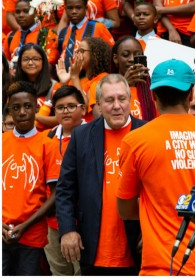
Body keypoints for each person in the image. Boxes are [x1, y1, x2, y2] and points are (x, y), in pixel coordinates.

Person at [116, 59, 195, 275]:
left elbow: (125, 209)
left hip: (163, 265)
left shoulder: (135, 141)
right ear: (191, 95)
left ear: (153, 95)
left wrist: (157, 210)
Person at [56, 74, 146, 275]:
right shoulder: (81, 135)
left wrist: (154, 230)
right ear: (98, 104)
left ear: (130, 101)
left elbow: (161, 190)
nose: (117, 106)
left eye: (122, 99)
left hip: (139, 248)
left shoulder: (147, 133)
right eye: (109, 100)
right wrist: (68, 229)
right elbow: (65, 189)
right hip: (93, 247)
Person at [2, 81, 58, 275]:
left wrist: (25, 225)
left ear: (36, 107)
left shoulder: (47, 144)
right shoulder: (2, 142)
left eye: (27, 106)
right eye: (16, 108)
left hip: (31, 235)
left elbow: (55, 194)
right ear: (9, 110)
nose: (22, 112)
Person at [42, 86, 86, 276]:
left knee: (82, 272)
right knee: (58, 272)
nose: (65, 111)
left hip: (84, 223)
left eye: (71, 106)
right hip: (52, 223)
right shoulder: (47, 138)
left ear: (83, 109)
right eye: (60, 107)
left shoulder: (95, 134)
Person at [57, 0, 114, 71]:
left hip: (90, 79)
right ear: (65, 9)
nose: (74, 11)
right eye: (70, 8)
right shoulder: (63, 33)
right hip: (66, 78)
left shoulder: (97, 27)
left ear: (86, 9)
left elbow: (112, 54)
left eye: (78, 8)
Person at [13, 43, 57, 131]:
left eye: (35, 59)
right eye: (26, 59)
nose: (30, 63)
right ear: (20, 63)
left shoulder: (55, 86)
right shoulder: (15, 87)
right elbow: (9, 116)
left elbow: (61, 119)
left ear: (43, 62)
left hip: (46, 138)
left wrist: (32, 115)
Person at [110, 36, 155, 121]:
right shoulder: (102, 86)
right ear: (116, 58)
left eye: (137, 55)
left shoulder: (153, 90)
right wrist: (124, 84)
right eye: (126, 55)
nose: (131, 59)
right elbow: (101, 120)